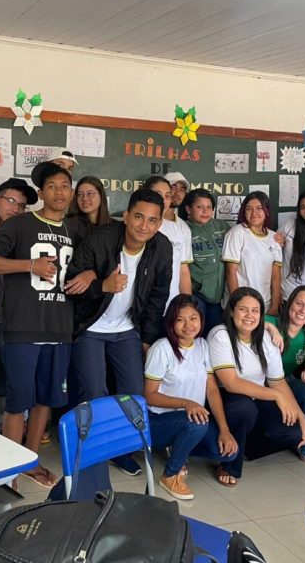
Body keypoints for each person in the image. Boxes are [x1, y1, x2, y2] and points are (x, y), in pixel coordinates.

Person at [0, 162, 87, 489]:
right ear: (41, 193)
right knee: (18, 400)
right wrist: (29, 265)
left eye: (65, 186)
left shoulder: (76, 230)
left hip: (60, 327)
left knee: (46, 400)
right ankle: (7, 470)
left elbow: (94, 263)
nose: (59, 192)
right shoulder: (20, 224)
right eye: (52, 186)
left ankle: (30, 461)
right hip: (24, 326)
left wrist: (92, 274)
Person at [66, 188, 173, 475]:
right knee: (94, 391)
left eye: (152, 220)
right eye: (138, 217)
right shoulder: (100, 239)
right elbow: (70, 285)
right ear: (125, 216)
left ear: (159, 223)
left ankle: (119, 451)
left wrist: (148, 338)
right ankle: (93, 452)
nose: (144, 226)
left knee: (134, 393)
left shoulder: (162, 247)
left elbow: (158, 297)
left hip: (127, 327)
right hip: (90, 325)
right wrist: (101, 284)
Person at [208, 287, 305, 486]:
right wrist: (276, 396)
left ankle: (245, 449)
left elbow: (277, 381)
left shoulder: (265, 337)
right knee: (244, 408)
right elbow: (231, 383)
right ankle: (229, 464)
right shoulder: (220, 335)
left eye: (255, 311)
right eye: (243, 310)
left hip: (258, 396)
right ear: (231, 311)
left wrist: (301, 415)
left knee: (294, 432)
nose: (249, 316)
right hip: (226, 398)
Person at [144, 294, 238, 500]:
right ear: (171, 322)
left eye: (193, 318)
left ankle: (179, 447)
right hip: (157, 422)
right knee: (196, 424)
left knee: (228, 452)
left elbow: (212, 390)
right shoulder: (162, 348)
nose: (188, 325)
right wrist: (187, 403)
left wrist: (224, 430)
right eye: (180, 319)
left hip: (190, 419)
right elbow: (149, 396)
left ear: (201, 319)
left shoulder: (203, 346)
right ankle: (170, 475)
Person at [0, 177, 38, 425]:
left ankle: (21, 423)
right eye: (11, 201)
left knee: (19, 372)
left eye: (22, 205)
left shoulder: (26, 236)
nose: (15, 208)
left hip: (15, 316)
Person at [265, 285, 305, 463]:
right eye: (299, 304)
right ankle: (300, 433)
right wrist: (271, 328)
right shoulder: (272, 321)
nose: (303, 311)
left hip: (288, 381)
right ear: (289, 303)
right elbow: (249, 321)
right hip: (262, 384)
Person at [222, 191, 282, 315]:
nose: (254, 213)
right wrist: (237, 304)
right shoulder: (237, 232)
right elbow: (230, 271)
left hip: (263, 305)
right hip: (240, 305)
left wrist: (275, 306)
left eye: (259, 208)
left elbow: (276, 276)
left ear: (267, 211)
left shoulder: (274, 237)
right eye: (249, 209)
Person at [183, 188, 229, 333]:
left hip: (221, 296)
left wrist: (274, 238)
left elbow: (245, 238)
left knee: (216, 335)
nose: (205, 211)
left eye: (209, 207)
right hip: (197, 296)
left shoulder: (222, 227)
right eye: (199, 207)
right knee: (195, 334)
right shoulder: (184, 229)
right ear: (188, 209)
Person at [145, 175, 193, 311]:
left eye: (167, 195)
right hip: (142, 307)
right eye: (173, 188)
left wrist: (186, 305)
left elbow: (183, 270)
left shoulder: (178, 228)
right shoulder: (138, 226)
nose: (175, 194)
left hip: (171, 306)